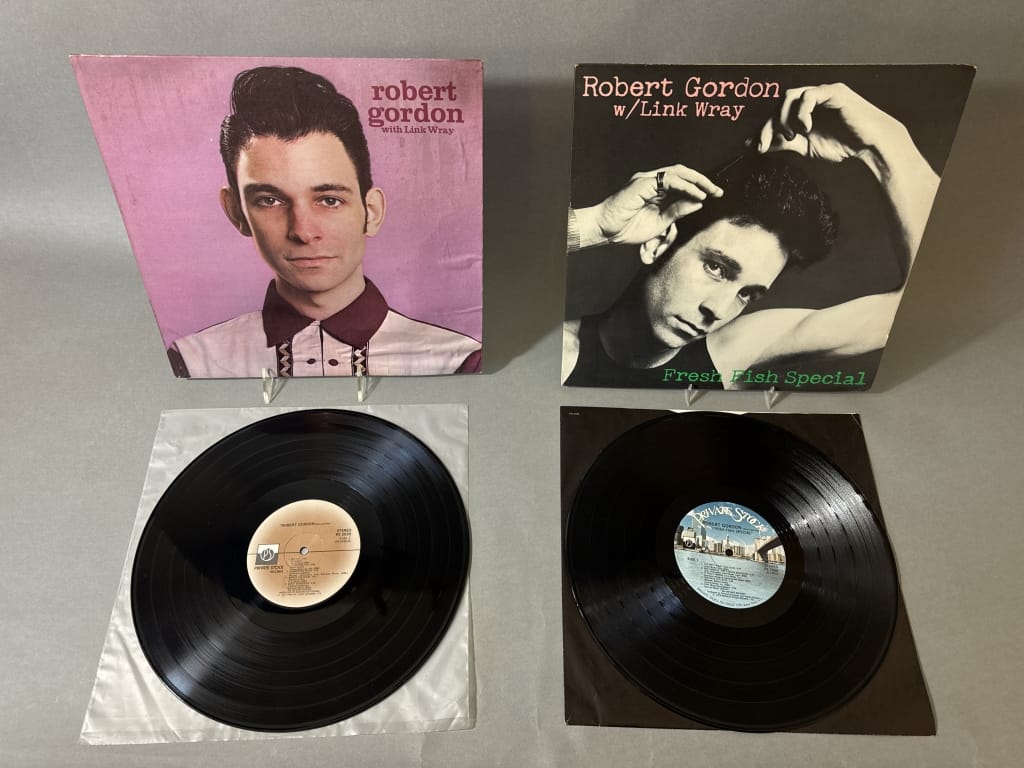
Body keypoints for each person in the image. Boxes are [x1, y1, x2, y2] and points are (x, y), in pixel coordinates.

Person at [562, 82, 940, 389]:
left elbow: (921, 307)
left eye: (747, 294)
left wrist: (883, 145)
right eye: (716, 267)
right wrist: (593, 227)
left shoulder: (734, 352)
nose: (719, 310)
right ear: (658, 242)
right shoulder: (558, 356)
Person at [168, 66, 481, 378]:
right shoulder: (194, 362)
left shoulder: (457, 361)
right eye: (270, 200)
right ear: (237, 212)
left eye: (329, 200)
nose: (303, 231)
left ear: (371, 211)